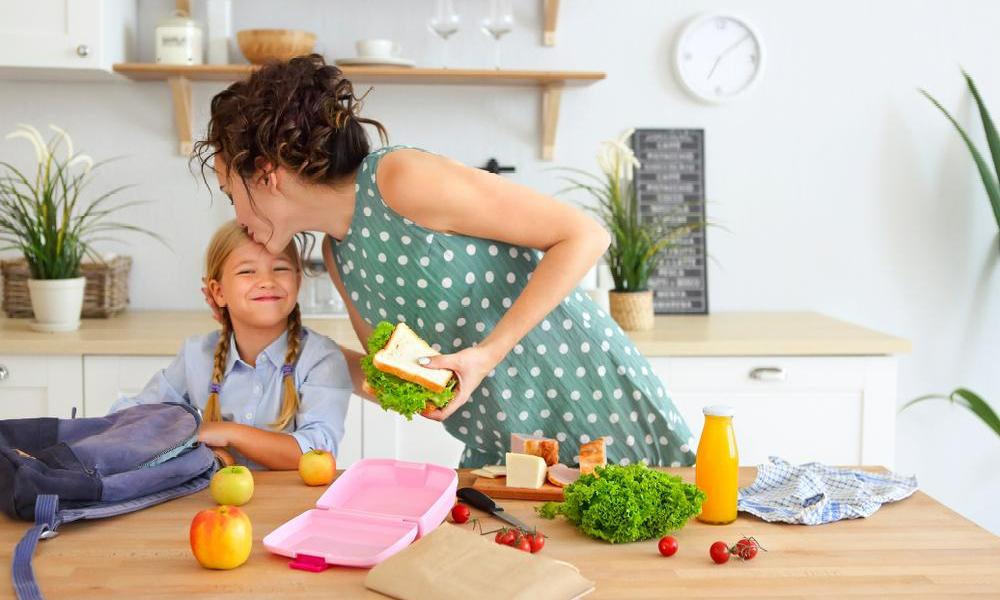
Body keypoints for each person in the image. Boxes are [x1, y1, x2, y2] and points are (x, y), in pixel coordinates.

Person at [193, 54, 696, 468]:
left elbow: (583, 235)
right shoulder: (338, 255)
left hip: (587, 398)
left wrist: (486, 354)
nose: (236, 215)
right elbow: (394, 381)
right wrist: (281, 342)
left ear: (267, 173)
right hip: (504, 445)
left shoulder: (397, 178)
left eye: (230, 192)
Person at [110, 220, 353, 470]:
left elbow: (317, 453)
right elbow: (131, 416)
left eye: (280, 268)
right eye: (247, 271)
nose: (267, 281)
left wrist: (227, 433)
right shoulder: (197, 354)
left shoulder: (321, 358)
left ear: (298, 282)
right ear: (218, 292)